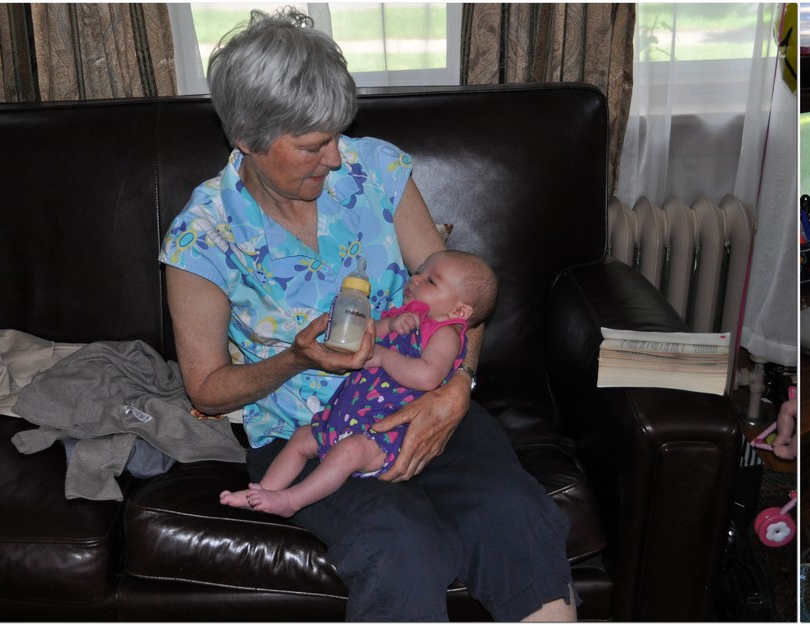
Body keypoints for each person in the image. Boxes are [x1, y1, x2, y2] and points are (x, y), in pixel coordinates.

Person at [159, 9, 574, 621]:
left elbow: (461, 303)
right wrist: (295, 359)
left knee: (512, 513)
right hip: (308, 434)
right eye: (312, 145)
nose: (334, 157)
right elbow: (206, 389)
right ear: (246, 138)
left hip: (420, 398)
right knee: (403, 546)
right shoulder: (202, 239)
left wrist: (456, 388)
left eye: (336, 134)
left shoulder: (375, 170)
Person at [220, 250, 498, 518]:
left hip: (386, 432)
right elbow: (368, 334)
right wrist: (391, 324)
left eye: (430, 281)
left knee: (347, 453)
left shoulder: (444, 335)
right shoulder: (405, 316)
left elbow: (427, 377)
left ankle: (292, 500)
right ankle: (262, 492)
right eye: (419, 271)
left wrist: (384, 357)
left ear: (459, 310)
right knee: (302, 438)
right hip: (351, 415)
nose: (415, 279)